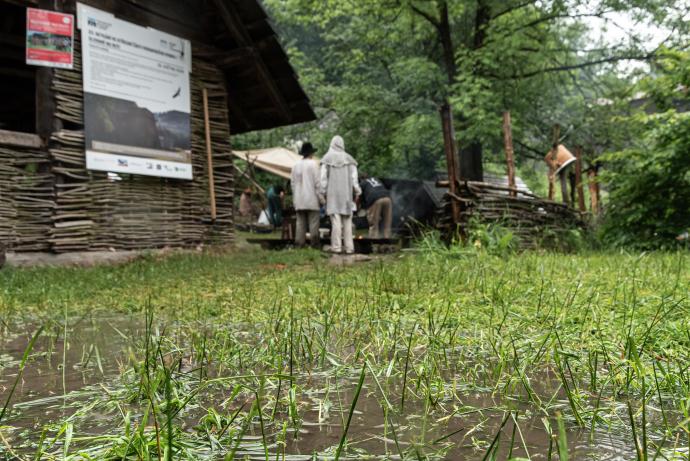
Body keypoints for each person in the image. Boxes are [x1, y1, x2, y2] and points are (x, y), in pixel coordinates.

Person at [320, 135, 361, 254]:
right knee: (347, 221)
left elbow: (323, 178)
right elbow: (354, 179)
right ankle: (349, 248)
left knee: (336, 221)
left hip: (333, 195)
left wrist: (323, 192)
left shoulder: (327, 158)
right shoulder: (350, 159)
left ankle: (336, 248)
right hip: (347, 195)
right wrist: (358, 191)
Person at [291, 142, 321, 248]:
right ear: (311, 153)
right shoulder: (314, 164)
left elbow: (293, 184)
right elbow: (318, 184)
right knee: (313, 223)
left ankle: (299, 244)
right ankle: (314, 244)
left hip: (299, 199)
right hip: (312, 199)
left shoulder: (295, 166)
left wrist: (295, 199)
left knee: (300, 224)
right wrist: (322, 199)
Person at [359, 174, 393, 239]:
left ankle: (373, 241)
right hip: (388, 198)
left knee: (373, 224)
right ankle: (387, 241)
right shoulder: (377, 179)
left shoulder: (363, 183)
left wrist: (364, 208)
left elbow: (360, 198)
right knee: (387, 224)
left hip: (376, 199)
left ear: (361, 179)